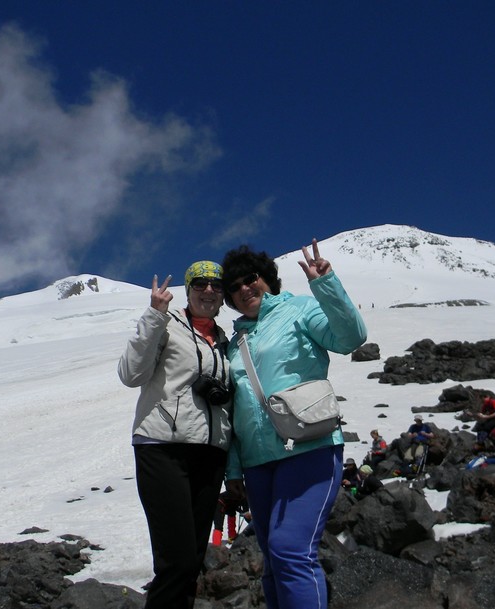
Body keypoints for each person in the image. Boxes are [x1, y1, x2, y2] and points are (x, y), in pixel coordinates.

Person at [222, 239, 367, 609]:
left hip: (309, 447)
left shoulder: (299, 309)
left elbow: (351, 337)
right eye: (234, 286)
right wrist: (234, 470)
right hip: (258, 464)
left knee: (290, 550)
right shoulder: (234, 341)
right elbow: (236, 410)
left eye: (249, 278)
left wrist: (325, 284)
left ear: (267, 279)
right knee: (273, 560)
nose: (243, 289)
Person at [117, 261, 234, 609]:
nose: (208, 290)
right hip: (163, 448)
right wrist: (154, 314)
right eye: (199, 283)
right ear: (188, 288)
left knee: (192, 562)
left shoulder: (225, 340)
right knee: (177, 560)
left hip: (210, 454)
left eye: (216, 284)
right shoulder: (167, 325)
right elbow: (130, 374)